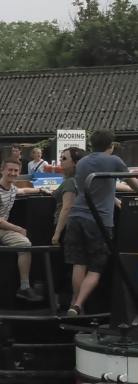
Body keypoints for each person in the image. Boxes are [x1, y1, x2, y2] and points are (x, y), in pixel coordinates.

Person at [62, 128, 138, 315]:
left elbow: (91, 188)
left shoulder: (82, 162)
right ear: (111, 145)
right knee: (96, 268)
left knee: (79, 264)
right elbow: (133, 185)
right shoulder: (114, 161)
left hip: (76, 217)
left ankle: (75, 305)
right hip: (99, 220)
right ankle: (78, 304)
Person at [0, 158, 40, 300]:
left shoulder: (12, 189)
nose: (13, 173)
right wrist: (18, 229)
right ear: (2, 171)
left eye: (16, 171)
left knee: (25, 245)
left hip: (4, 230)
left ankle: (24, 286)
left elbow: (23, 190)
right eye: (10, 170)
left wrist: (41, 189)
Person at [50, 147, 85, 246]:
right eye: (61, 158)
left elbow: (67, 208)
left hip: (65, 227)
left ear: (75, 163)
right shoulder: (83, 180)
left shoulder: (69, 182)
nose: (61, 160)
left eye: (64, 158)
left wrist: (57, 233)